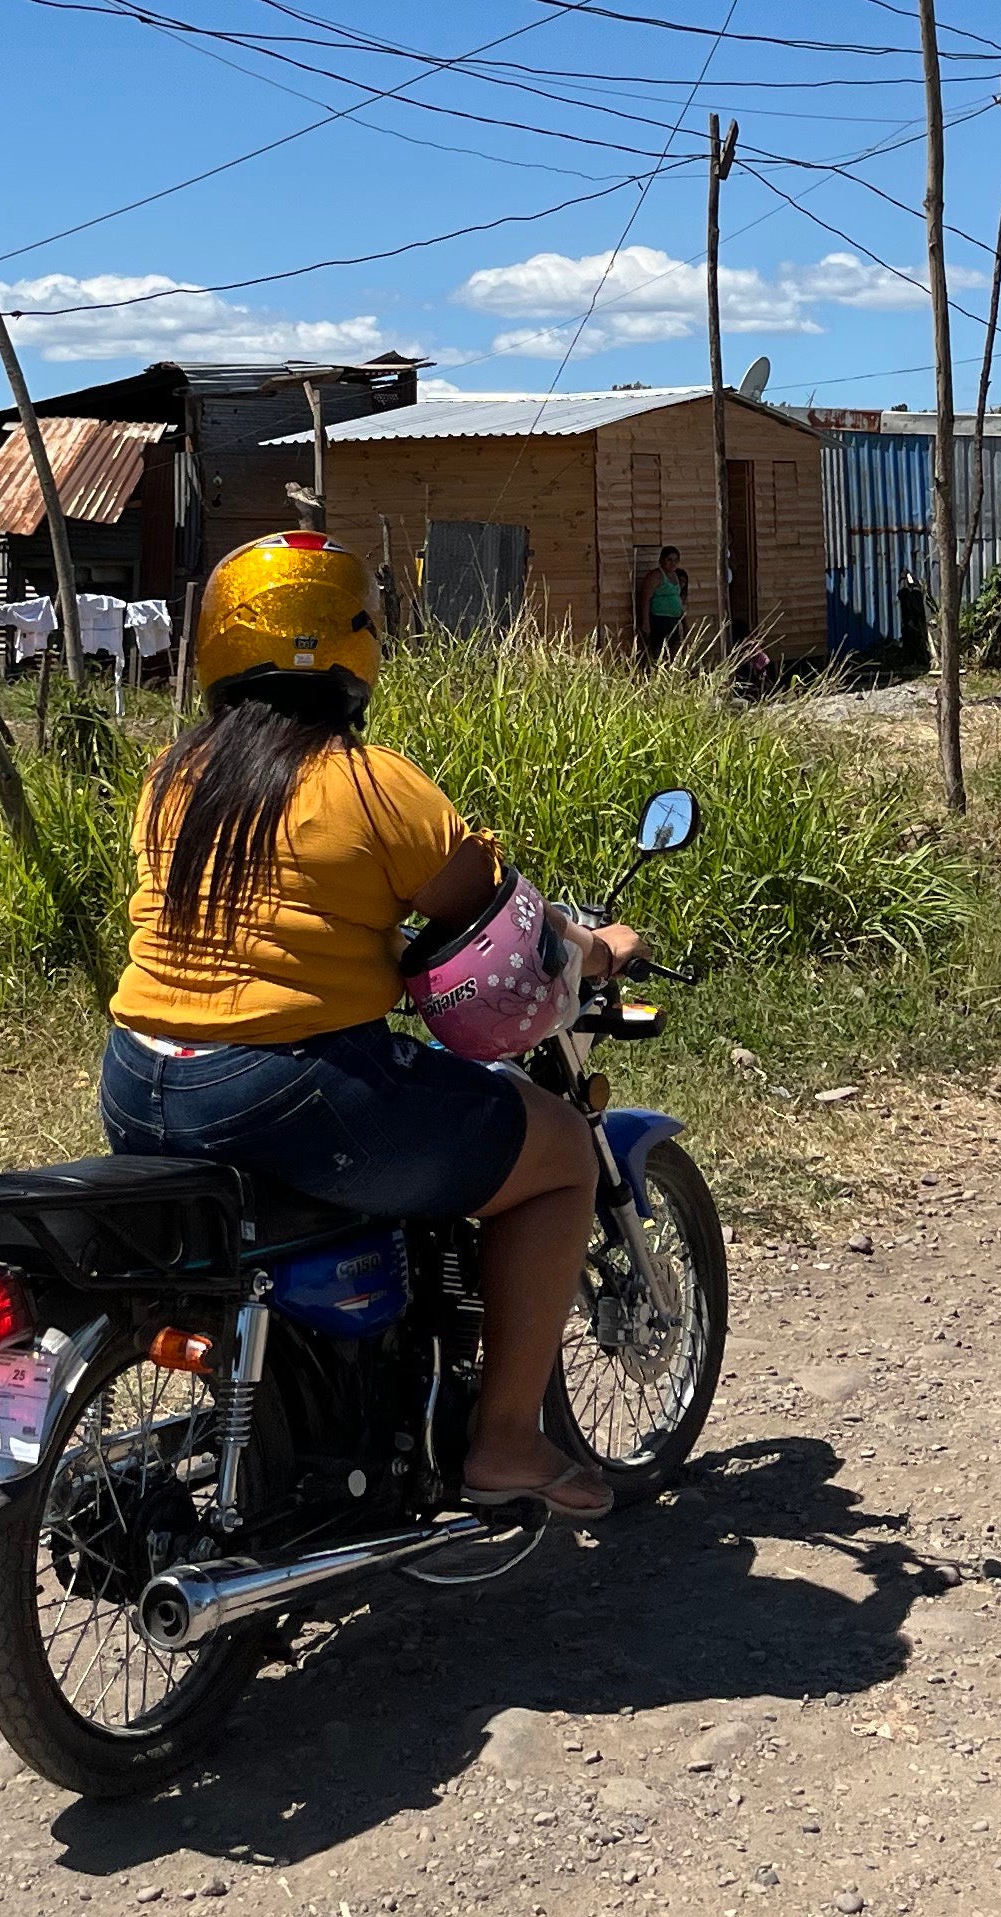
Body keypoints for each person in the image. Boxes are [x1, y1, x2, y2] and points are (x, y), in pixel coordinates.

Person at [100, 532, 637, 1519]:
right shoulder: (368, 783)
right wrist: (601, 946)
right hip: (288, 1093)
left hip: (140, 1081)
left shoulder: (174, 776)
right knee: (559, 1151)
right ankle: (508, 1443)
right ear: (355, 640)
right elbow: (511, 933)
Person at [640, 545, 689, 661]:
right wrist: (645, 622)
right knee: (659, 652)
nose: (672, 563)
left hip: (674, 620)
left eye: (675, 560)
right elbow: (645, 599)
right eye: (669, 560)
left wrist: (684, 622)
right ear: (662, 560)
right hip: (659, 619)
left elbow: (679, 600)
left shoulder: (676, 575)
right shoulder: (656, 576)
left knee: (674, 651)